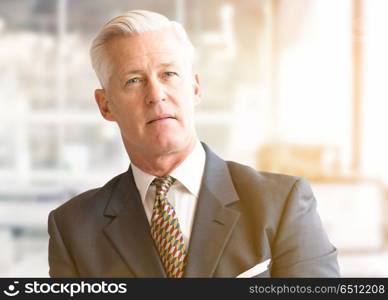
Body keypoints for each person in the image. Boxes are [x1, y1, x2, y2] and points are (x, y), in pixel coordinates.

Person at [48, 10, 340, 278]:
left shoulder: (282, 203)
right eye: (134, 80)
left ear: (195, 87)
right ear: (105, 106)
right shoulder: (73, 229)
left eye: (169, 74)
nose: (156, 94)